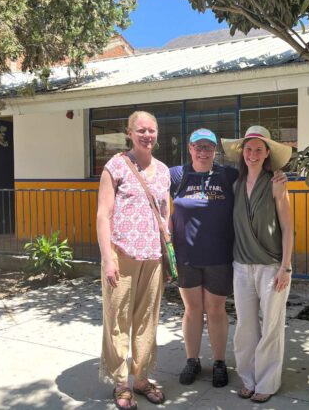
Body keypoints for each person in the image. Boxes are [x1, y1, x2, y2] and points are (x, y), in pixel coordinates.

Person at [96, 111, 170, 410]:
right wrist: (107, 259)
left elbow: (166, 214)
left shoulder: (164, 170)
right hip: (122, 255)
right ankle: (120, 382)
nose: (147, 135)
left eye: (151, 130)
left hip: (153, 256)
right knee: (117, 320)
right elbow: (103, 215)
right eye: (141, 130)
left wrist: (167, 253)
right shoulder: (115, 167)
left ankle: (140, 378)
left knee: (147, 321)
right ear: (129, 132)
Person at [221, 125, 294, 404]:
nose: (252, 154)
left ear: (267, 154)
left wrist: (285, 266)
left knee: (272, 327)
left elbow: (288, 228)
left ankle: (267, 381)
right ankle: (249, 378)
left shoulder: (276, 183)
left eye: (258, 150)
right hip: (241, 266)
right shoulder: (236, 185)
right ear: (243, 153)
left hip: (271, 266)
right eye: (248, 149)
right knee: (246, 327)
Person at [169, 128, 239, 388]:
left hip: (219, 256)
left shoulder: (227, 175)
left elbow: (255, 179)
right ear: (189, 148)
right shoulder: (177, 175)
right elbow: (149, 184)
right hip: (186, 256)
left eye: (208, 147)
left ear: (215, 151)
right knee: (192, 309)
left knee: (216, 310)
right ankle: (192, 360)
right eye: (198, 146)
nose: (203, 151)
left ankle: (220, 362)